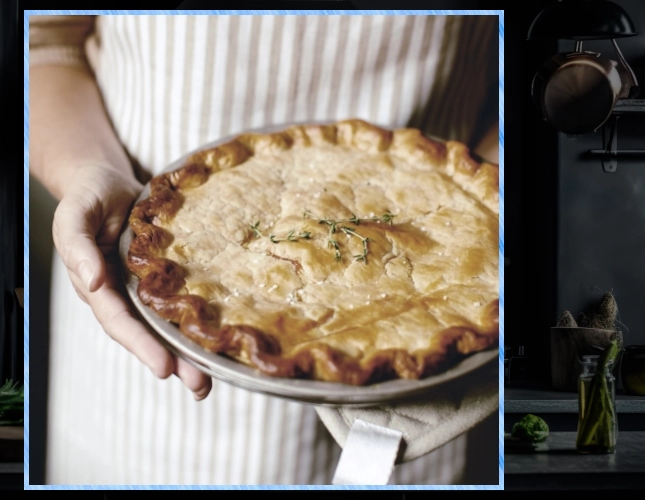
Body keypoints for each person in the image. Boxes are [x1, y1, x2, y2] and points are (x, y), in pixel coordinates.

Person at [30, 14, 499, 485]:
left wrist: (498, 182)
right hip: (139, 348)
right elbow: (45, 43)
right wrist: (87, 168)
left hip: (420, 410)